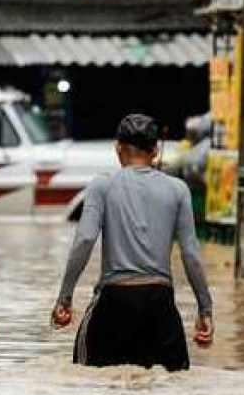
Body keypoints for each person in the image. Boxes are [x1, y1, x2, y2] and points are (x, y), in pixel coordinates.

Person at [52, 113, 214, 371]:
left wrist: (64, 298)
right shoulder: (178, 190)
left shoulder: (101, 186)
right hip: (161, 306)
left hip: (112, 302)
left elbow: (84, 240)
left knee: (88, 383)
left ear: (118, 149)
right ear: (156, 151)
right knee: (169, 390)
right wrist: (205, 310)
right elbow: (191, 255)